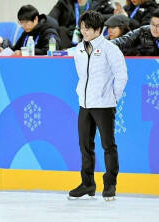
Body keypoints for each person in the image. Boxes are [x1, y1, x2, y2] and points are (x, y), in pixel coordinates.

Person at [69, 11, 128, 200]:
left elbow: (121, 76)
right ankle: (87, 184)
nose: (84, 31)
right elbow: (82, 77)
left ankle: (110, 185)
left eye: (88, 28)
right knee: (85, 145)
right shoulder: (78, 49)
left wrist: (112, 97)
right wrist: (81, 94)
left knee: (108, 146)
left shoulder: (110, 49)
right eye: (82, 28)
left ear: (98, 30)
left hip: (104, 105)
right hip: (84, 104)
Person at [49, 0, 114, 49]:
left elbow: (113, 16)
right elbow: (51, 19)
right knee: (61, 30)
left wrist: (94, 19)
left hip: (91, 35)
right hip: (69, 35)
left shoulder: (100, 2)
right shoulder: (64, 2)